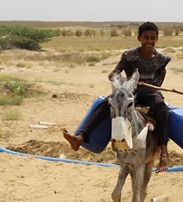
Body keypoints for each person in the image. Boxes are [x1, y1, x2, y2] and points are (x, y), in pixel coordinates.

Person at [63, 22, 171, 173]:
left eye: (153, 38)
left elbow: (162, 72)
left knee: (161, 107)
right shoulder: (130, 55)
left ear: (157, 39)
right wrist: (121, 78)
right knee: (107, 102)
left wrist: (156, 86)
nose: (149, 41)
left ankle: (164, 153)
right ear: (139, 38)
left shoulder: (161, 58)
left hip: (151, 93)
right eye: (146, 37)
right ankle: (80, 138)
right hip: (131, 92)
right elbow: (114, 73)